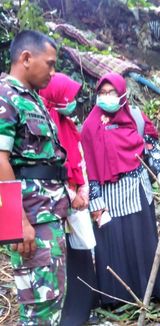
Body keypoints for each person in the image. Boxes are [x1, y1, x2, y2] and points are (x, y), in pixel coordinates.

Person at [81, 73, 160, 307]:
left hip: (139, 191)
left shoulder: (136, 118)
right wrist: (96, 203)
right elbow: (88, 166)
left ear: (122, 94)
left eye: (111, 92)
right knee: (114, 246)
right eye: (102, 93)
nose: (106, 97)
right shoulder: (91, 125)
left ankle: (148, 293)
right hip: (109, 196)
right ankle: (118, 300)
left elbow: (151, 145)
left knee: (143, 242)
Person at [0, 30, 69, 325]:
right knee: (39, 307)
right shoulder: (6, 96)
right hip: (30, 219)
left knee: (51, 299)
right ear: (26, 58)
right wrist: (16, 222)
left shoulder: (33, 99)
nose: (53, 72)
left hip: (47, 215)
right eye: (50, 64)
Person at [39, 73, 96, 326]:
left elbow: (79, 159)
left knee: (82, 255)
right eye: (68, 97)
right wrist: (71, 194)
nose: (73, 101)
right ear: (55, 96)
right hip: (55, 205)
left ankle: (82, 309)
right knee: (62, 261)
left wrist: (83, 189)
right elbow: (50, 165)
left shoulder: (67, 124)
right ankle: (69, 315)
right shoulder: (45, 125)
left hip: (76, 203)